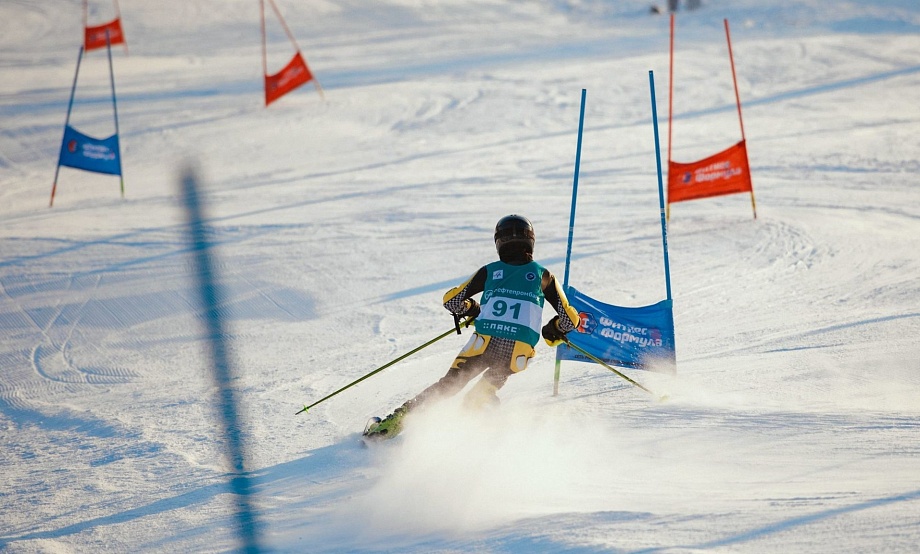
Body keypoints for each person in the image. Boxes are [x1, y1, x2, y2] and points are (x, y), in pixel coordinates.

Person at [364, 214, 580, 440]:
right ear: (531, 242)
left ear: (499, 242)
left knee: (448, 386)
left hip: (483, 345)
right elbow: (570, 320)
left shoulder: (490, 271)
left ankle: (389, 427)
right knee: (481, 393)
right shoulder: (543, 275)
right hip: (517, 353)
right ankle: (477, 433)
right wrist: (554, 328)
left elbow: (451, 301)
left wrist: (472, 309)